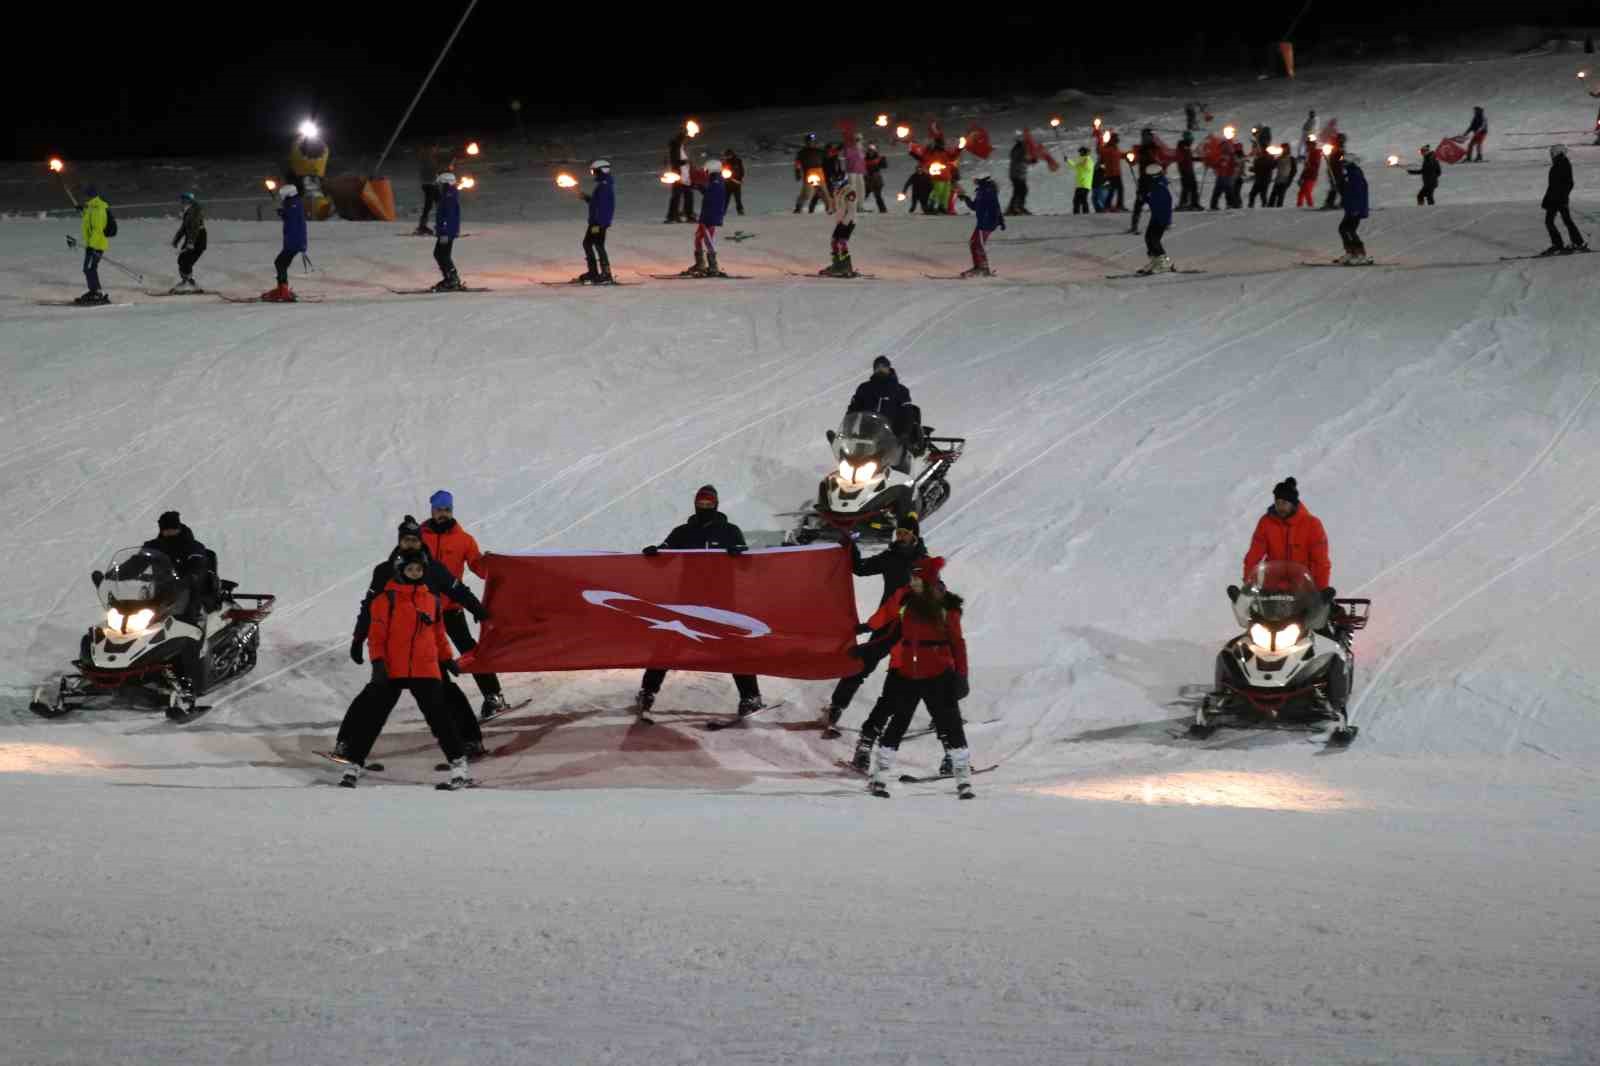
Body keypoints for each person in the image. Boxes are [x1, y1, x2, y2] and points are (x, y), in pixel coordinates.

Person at [338, 518, 488, 763]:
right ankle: (346, 743)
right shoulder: (384, 571)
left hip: (425, 652)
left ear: (421, 541)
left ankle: (471, 740)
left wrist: (478, 610)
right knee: (373, 696)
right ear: (400, 541)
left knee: (447, 694)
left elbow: (458, 591)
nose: (411, 544)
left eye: (415, 539)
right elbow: (370, 608)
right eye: (406, 540)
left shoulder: (433, 569)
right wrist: (358, 637)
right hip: (393, 653)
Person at [636, 485, 762, 718]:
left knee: (733, 647)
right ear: (695, 504)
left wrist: (738, 553)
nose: (704, 507)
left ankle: (751, 696)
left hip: (721, 600)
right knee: (667, 643)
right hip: (688, 599)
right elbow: (665, 554)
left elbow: (747, 561)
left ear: (716, 504)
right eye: (701, 503)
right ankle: (647, 691)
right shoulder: (683, 532)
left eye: (709, 503)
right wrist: (654, 552)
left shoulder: (730, 531)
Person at [858, 556, 974, 798]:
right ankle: (880, 778)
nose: (911, 581)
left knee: (950, 724)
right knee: (897, 724)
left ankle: (963, 780)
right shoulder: (907, 602)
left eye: (915, 577)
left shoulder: (947, 607)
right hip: (908, 673)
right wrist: (865, 649)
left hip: (939, 674)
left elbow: (958, 644)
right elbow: (892, 635)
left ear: (927, 579)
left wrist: (961, 675)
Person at [827, 513, 929, 737]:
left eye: (905, 533)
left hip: (914, 629)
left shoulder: (924, 562)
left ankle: (941, 715)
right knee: (863, 664)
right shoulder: (889, 557)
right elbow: (860, 568)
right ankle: (836, 707)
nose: (900, 537)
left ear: (915, 536)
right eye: (898, 533)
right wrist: (850, 546)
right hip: (887, 623)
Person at [419, 490, 507, 718]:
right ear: (432, 510)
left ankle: (494, 696)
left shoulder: (464, 540)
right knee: (428, 656)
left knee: (469, 650)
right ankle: (442, 707)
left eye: (447, 510)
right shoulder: (419, 536)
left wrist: (491, 564)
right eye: (439, 510)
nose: (443, 514)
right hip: (423, 609)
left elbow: (478, 568)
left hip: (451, 607)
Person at [1242, 478, 1330, 591]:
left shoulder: (1312, 525)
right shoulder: (1266, 523)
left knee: (1329, 608)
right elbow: (1253, 557)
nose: (1280, 507)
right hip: (1273, 590)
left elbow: (1320, 562)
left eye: (1284, 503)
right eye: (1277, 503)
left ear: (1293, 503)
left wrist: (1322, 590)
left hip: (1304, 591)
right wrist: (1248, 583)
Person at [142, 511, 218, 623]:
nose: (169, 532)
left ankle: (192, 628)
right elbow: (137, 562)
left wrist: (192, 574)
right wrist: (115, 574)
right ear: (161, 530)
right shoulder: (154, 546)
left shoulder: (192, 546)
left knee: (182, 616)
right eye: (166, 529)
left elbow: (197, 563)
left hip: (187, 590)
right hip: (161, 591)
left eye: (172, 529)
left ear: (178, 528)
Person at [847, 354, 915, 438]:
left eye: (883, 366)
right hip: (866, 435)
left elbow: (907, 413)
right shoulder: (864, 388)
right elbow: (852, 410)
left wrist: (905, 433)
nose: (880, 369)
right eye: (877, 367)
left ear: (889, 368)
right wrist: (847, 430)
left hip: (892, 437)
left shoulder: (900, 390)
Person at [1540, 144, 1589, 255]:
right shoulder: (1560, 163)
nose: (1551, 156)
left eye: (1552, 153)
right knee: (1565, 220)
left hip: (1558, 199)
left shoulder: (1562, 164)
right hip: (1555, 198)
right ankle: (1576, 242)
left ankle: (1562, 244)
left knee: (1551, 221)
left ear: (1558, 153)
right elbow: (1553, 185)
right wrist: (1548, 199)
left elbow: (1568, 183)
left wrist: (1562, 197)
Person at [683, 161, 729, 277]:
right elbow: (708, 193)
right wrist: (695, 186)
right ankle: (700, 264)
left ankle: (713, 266)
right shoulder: (715, 181)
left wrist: (696, 185)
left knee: (707, 239)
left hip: (710, 215)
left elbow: (710, 194)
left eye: (706, 170)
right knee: (698, 237)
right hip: (708, 214)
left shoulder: (716, 181)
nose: (705, 172)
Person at [262, 183, 305, 302]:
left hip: (294, 242)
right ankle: (282, 288)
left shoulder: (294, 205)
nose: (282, 198)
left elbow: (290, 217)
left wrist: (282, 212)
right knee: (281, 264)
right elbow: (289, 216)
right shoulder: (294, 203)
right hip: (294, 241)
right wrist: (282, 212)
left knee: (280, 263)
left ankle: (283, 291)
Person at [956, 174, 1004, 278]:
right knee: (974, 243)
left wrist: (999, 220)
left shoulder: (988, 191)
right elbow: (975, 207)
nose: (974, 181)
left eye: (976, 179)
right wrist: (965, 198)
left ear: (981, 179)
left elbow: (995, 207)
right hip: (983, 222)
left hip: (987, 223)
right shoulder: (983, 190)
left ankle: (983, 268)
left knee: (978, 244)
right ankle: (978, 266)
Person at [577, 158, 615, 283]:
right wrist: (587, 198)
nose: (593, 174)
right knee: (587, 243)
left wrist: (599, 223)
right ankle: (593, 272)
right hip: (596, 221)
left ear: (601, 171)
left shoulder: (604, 186)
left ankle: (606, 273)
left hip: (599, 222)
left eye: (594, 171)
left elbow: (604, 206)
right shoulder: (603, 185)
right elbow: (597, 203)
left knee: (598, 245)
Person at [76, 184, 112, 305]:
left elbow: (97, 229)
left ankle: (96, 292)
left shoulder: (98, 209)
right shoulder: (92, 207)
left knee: (89, 268)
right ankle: (94, 291)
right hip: (92, 244)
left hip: (97, 245)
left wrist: (91, 246)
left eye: (85, 195)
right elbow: (89, 220)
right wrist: (82, 210)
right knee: (89, 268)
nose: (83, 198)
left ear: (90, 195)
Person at [430, 172, 464, 292]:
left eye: (440, 184)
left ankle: (452, 280)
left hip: (447, 232)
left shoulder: (449, 195)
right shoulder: (448, 194)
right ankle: (450, 278)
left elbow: (448, 216)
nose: (439, 186)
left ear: (445, 183)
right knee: (440, 254)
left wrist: (444, 231)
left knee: (442, 254)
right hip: (447, 231)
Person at [1137, 166, 1174, 275]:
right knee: (1149, 238)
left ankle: (1163, 263)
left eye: (1148, 177)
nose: (1147, 179)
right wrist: (1145, 198)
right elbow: (1154, 202)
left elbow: (1164, 203)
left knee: (1154, 239)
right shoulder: (1156, 185)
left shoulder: (1160, 187)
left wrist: (1166, 220)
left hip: (1161, 217)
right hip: (1156, 217)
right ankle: (1155, 261)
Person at [1336, 152, 1371, 265]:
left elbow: (1359, 193)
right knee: (1343, 229)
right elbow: (1348, 192)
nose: (1342, 165)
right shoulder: (1350, 174)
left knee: (1349, 230)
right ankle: (1351, 252)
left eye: (1344, 162)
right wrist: (1341, 187)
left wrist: (1356, 208)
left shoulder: (1355, 174)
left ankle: (1360, 254)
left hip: (1356, 208)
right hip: (1351, 208)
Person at [413, 144, 456, 235]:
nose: (435, 150)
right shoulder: (426, 158)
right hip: (429, 184)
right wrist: (445, 168)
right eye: (433, 148)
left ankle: (439, 225)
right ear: (429, 149)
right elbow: (432, 170)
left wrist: (445, 168)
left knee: (439, 203)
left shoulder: (429, 158)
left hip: (432, 184)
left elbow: (436, 169)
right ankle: (423, 226)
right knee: (429, 205)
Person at [170, 192, 206, 292]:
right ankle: (188, 281)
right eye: (181, 200)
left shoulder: (195, 211)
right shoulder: (188, 211)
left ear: (189, 200)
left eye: (184, 200)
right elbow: (184, 227)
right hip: (191, 238)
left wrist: (191, 242)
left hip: (198, 238)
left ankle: (188, 283)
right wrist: (176, 240)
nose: (181, 202)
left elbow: (195, 228)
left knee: (186, 261)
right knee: (182, 260)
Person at [822, 186, 859, 277]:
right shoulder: (838, 191)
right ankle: (837, 264)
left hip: (848, 221)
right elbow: (837, 206)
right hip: (841, 221)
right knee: (834, 241)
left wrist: (845, 222)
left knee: (841, 242)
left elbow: (852, 210)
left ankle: (846, 266)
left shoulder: (850, 191)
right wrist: (831, 209)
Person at [1128, 129, 1160, 232]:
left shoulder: (1154, 148)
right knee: (1139, 202)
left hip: (1152, 179)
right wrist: (1131, 160)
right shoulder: (1141, 149)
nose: (1144, 138)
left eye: (1147, 136)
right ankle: (1134, 225)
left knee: (1154, 202)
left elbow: (1157, 160)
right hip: (1143, 180)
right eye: (1143, 136)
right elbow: (1135, 161)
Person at [664, 126, 695, 223]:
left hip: (685, 175)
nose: (686, 139)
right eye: (685, 137)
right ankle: (672, 216)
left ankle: (688, 215)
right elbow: (675, 161)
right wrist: (685, 162)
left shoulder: (681, 146)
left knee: (688, 195)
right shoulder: (675, 146)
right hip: (678, 175)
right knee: (676, 196)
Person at [795, 133, 827, 213]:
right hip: (809, 174)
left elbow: (826, 161)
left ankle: (829, 207)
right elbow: (798, 163)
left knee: (824, 192)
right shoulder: (802, 153)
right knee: (807, 194)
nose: (811, 143)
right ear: (806, 142)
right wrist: (798, 172)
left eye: (812, 141)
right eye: (809, 141)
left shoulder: (820, 152)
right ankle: (799, 207)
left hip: (820, 173)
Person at [1006, 131, 1035, 215]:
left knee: (1021, 190)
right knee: (1020, 190)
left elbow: (1022, 159)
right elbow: (1019, 159)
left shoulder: (1019, 148)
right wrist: (1029, 160)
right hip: (1016, 174)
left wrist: (1030, 160)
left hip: (1018, 173)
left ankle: (1016, 207)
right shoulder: (1019, 148)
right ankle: (1015, 208)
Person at [1208, 141, 1237, 211]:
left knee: (1227, 189)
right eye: (1222, 147)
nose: (1222, 148)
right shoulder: (1222, 156)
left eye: (1224, 147)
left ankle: (1230, 204)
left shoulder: (1230, 155)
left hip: (1227, 175)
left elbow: (1234, 164)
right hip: (1221, 175)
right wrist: (1210, 163)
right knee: (1218, 190)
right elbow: (1216, 164)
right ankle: (1214, 205)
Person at [1100, 132, 1126, 211]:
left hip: (1115, 173)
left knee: (1113, 189)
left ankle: (1108, 206)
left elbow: (1120, 155)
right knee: (1118, 189)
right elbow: (1103, 157)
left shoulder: (1114, 148)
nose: (1117, 140)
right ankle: (1117, 205)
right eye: (1116, 139)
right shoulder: (1108, 149)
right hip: (1112, 173)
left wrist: (1127, 155)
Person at [1176, 134, 1200, 211]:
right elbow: (1181, 158)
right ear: (1188, 139)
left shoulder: (1186, 147)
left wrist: (1198, 159)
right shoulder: (1183, 146)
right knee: (1187, 187)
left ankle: (1193, 203)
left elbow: (1188, 158)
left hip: (1189, 169)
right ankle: (1184, 204)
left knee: (1192, 187)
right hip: (1185, 170)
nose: (1192, 142)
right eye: (1191, 140)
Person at [1322, 135, 1346, 210]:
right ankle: (1330, 203)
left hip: (1338, 171)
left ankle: (1343, 202)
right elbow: (1335, 160)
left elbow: (1341, 159)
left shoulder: (1340, 149)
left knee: (1341, 187)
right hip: (1335, 171)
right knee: (1335, 187)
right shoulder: (1336, 149)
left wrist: (1343, 160)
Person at [863, 143, 889, 212]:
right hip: (868, 180)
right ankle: (858, 207)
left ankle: (883, 209)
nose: (870, 152)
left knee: (877, 196)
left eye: (872, 151)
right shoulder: (865, 159)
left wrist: (883, 160)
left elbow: (884, 166)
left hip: (876, 180)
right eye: (869, 151)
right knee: (863, 195)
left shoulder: (878, 159)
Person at [845, 133, 867, 208]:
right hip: (852, 171)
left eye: (859, 139)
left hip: (860, 172)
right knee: (853, 189)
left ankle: (860, 206)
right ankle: (852, 206)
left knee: (861, 189)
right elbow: (848, 157)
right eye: (857, 139)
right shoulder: (849, 148)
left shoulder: (861, 149)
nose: (858, 141)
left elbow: (863, 160)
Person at [1297, 143, 1322, 207]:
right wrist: (1301, 177)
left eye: (1308, 146)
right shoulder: (1309, 154)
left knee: (1307, 191)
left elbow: (1315, 166)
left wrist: (1309, 165)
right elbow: (1306, 168)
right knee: (1302, 192)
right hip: (1307, 176)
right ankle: (1299, 205)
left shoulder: (1315, 153)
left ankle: (1310, 205)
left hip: (1311, 176)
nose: (1307, 148)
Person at [721, 148, 746, 215]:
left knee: (738, 199)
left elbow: (741, 171)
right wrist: (724, 178)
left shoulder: (738, 161)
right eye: (726, 155)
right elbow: (722, 171)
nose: (727, 156)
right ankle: (723, 211)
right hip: (727, 184)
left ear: (732, 154)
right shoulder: (724, 162)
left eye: (728, 155)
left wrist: (740, 178)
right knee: (726, 199)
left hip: (736, 183)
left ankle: (740, 211)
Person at [1071, 146, 1094, 214]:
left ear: (1084, 152)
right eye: (1080, 151)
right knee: (1076, 200)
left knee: (1082, 200)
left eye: (1081, 151)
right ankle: (1076, 213)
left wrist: (1084, 162)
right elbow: (1075, 166)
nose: (1080, 153)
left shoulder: (1088, 160)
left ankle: (1085, 213)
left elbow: (1088, 168)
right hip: (1080, 184)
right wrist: (1068, 160)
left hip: (1085, 184)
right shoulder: (1082, 160)